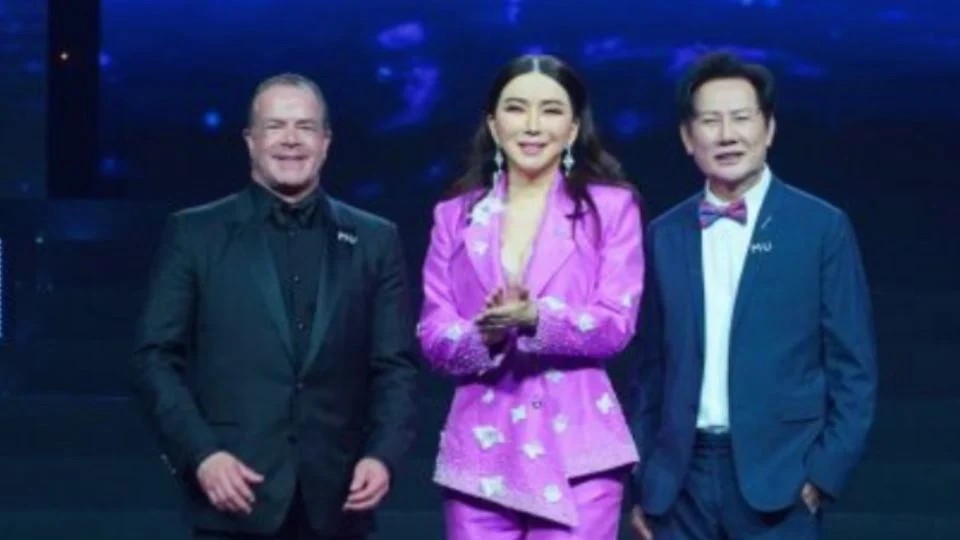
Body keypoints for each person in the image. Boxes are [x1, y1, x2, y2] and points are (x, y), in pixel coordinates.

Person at [131, 73, 419, 540]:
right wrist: (202, 454)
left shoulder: (375, 239)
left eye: (305, 127)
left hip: (339, 498)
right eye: (275, 126)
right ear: (250, 140)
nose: (290, 140)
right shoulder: (195, 233)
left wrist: (382, 455)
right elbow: (154, 359)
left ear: (325, 142)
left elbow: (395, 366)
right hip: (233, 494)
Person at [629, 51, 877, 539]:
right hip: (678, 485)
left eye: (742, 118)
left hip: (781, 480)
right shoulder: (664, 233)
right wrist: (644, 480)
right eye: (710, 121)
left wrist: (822, 476)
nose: (727, 135)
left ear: (769, 129)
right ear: (688, 138)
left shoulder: (820, 227)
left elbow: (854, 367)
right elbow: (649, 371)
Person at [417, 54, 644, 540]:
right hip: (480, 455)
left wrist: (536, 317)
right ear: (493, 124)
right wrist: (487, 332)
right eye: (517, 108)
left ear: (574, 127)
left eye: (552, 110)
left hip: (579, 452)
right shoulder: (454, 215)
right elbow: (433, 336)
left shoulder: (610, 207)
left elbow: (617, 324)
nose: (533, 125)